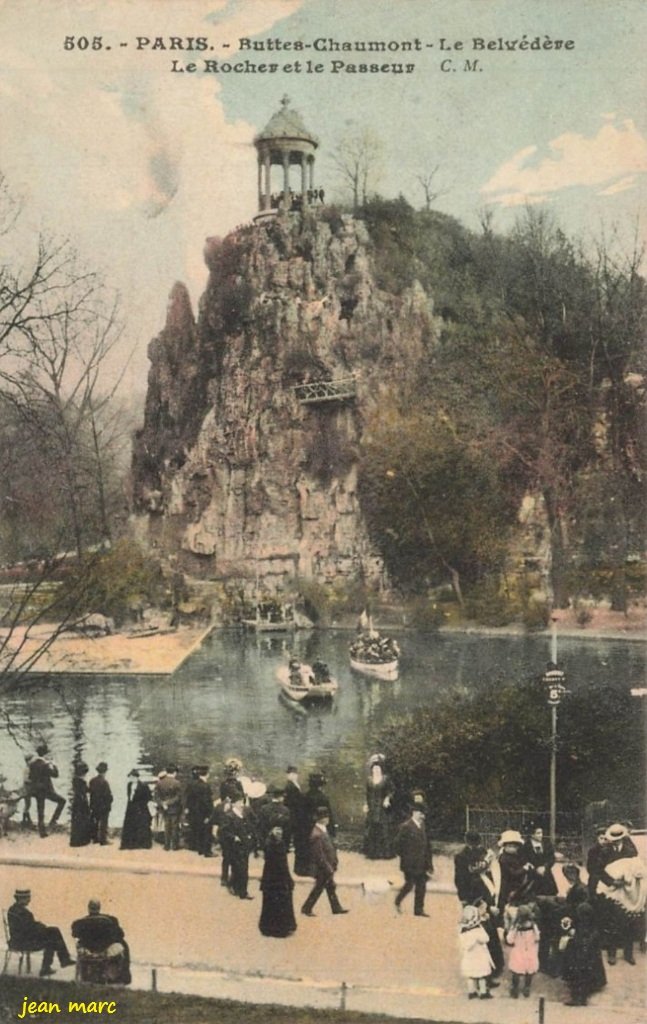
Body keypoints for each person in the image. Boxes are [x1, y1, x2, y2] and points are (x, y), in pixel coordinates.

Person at [595, 823, 643, 966]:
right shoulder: (605, 851)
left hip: (627, 890)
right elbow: (598, 870)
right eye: (613, 840)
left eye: (618, 840)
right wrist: (611, 882)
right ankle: (612, 954)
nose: (616, 842)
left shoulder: (630, 850)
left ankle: (628, 954)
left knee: (628, 921)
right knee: (613, 922)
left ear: (622, 838)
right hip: (613, 891)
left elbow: (636, 866)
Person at [7, 888, 75, 978]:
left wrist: (39, 926)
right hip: (24, 942)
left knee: (53, 931)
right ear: (22, 899)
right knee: (51, 940)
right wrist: (41, 927)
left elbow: (27, 927)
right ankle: (50, 966)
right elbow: (30, 930)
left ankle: (63, 960)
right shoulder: (24, 913)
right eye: (28, 897)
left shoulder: (12, 910)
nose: (29, 900)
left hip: (16, 940)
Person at [301, 808, 349, 917]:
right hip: (322, 867)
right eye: (325, 817)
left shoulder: (322, 830)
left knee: (329, 887)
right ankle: (307, 908)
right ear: (321, 819)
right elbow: (319, 855)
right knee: (320, 887)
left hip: (327, 865)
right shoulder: (317, 834)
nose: (328, 819)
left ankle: (335, 907)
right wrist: (328, 867)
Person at [71, 898, 131, 984]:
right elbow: (120, 934)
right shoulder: (110, 920)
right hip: (104, 950)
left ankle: (83, 976)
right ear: (99, 908)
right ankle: (124, 977)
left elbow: (74, 935)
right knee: (124, 945)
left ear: (88, 908)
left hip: (87, 950)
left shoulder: (79, 922)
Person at [561, 902, 606, 1007]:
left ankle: (578, 998)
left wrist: (573, 936)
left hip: (581, 956)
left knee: (580, 976)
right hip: (590, 957)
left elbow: (582, 941)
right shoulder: (591, 924)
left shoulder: (585, 927)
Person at [394, 802, 433, 917]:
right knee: (409, 885)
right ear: (415, 813)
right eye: (421, 814)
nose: (423, 816)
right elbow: (397, 844)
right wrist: (405, 857)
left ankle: (418, 910)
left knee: (421, 886)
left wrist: (429, 864)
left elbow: (427, 846)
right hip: (410, 864)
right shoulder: (406, 827)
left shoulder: (422, 826)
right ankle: (398, 900)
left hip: (421, 863)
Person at [259, 825, 297, 938]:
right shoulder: (270, 844)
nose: (279, 832)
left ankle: (280, 927)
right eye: (276, 829)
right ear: (271, 831)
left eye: (281, 829)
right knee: (275, 902)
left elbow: (284, 863)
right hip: (273, 877)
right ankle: (276, 929)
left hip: (279, 876)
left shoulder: (280, 843)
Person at [220, 795, 257, 899]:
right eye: (239, 802)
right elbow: (224, 831)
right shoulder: (229, 816)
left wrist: (250, 835)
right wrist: (234, 837)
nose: (242, 804)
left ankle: (235, 886)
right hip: (234, 846)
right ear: (234, 804)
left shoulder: (243, 814)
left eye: (242, 802)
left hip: (245, 845)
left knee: (241, 868)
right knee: (241, 868)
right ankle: (243, 892)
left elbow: (250, 825)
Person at [28, 743, 66, 838]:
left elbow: (30, 777)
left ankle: (42, 832)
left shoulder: (32, 764)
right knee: (62, 801)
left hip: (36, 790)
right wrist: (54, 765)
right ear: (45, 754)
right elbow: (55, 775)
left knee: (40, 810)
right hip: (46, 790)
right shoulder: (45, 765)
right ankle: (53, 821)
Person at [458, 904, 494, 1000]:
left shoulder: (462, 931)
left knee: (471, 976)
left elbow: (464, 945)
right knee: (481, 976)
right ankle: (483, 992)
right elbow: (486, 939)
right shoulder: (478, 930)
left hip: (469, 957)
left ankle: (471, 992)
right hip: (480, 956)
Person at [505, 903, 540, 999]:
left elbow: (509, 940)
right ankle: (527, 988)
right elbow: (537, 937)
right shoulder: (533, 926)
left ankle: (515, 989)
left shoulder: (516, 927)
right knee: (529, 971)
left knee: (516, 971)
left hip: (518, 952)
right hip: (530, 951)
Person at [363, 754, 394, 859]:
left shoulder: (386, 779)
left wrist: (387, 798)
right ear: (372, 770)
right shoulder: (369, 780)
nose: (376, 770)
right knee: (372, 830)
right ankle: (372, 853)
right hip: (372, 808)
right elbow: (367, 793)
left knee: (384, 830)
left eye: (378, 768)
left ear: (381, 769)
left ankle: (386, 853)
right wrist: (366, 804)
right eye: (374, 769)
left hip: (382, 809)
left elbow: (391, 791)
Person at [284, 765, 311, 876]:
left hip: (296, 815)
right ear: (288, 775)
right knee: (297, 839)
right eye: (291, 774)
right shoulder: (290, 786)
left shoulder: (295, 785)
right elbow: (293, 802)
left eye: (295, 774)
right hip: (294, 815)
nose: (293, 775)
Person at [454, 832, 494, 905]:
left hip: (482, 889)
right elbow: (460, 878)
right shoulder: (461, 856)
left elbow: (459, 878)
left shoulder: (482, 852)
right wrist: (463, 897)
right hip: (471, 890)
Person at [497, 830, 532, 912]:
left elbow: (523, 863)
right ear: (504, 846)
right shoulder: (503, 858)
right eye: (509, 846)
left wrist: (528, 865)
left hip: (519, 884)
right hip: (508, 885)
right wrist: (524, 869)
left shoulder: (517, 856)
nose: (512, 848)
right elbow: (512, 873)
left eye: (515, 846)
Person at [184, 765, 214, 856]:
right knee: (207, 831)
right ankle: (207, 851)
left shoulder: (194, 784)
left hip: (195, 812)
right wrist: (209, 814)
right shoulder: (206, 786)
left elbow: (189, 798)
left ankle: (200, 849)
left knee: (199, 830)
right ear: (207, 774)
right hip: (204, 812)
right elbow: (206, 801)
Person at [120, 770, 152, 850]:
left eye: (132, 777)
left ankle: (142, 843)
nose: (131, 779)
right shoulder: (129, 784)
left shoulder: (143, 786)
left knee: (141, 825)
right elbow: (129, 796)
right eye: (130, 777)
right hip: (131, 807)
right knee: (129, 824)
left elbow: (148, 797)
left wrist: (141, 803)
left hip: (140, 808)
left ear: (136, 777)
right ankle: (129, 843)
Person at [522, 823, 558, 896]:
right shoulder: (526, 846)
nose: (541, 835)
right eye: (538, 833)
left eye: (541, 833)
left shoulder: (547, 844)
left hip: (546, 873)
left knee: (549, 893)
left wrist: (545, 866)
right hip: (533, 875)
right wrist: (535, 869)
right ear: (532, 835)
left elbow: (551, 858)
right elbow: (523, 859)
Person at [154, 764, 183, 851]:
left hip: (164, 808)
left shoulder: (160, 782)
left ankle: (166, 845)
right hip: (174, 808)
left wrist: (163, 803)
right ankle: (174, 845)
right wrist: (169, 803)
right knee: (175, 827)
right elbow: (178, 797)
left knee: (167, 826)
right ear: (174, 772)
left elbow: (156, 796)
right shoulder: (177, 783)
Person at [255, 784, 292, 850]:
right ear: (281, 797)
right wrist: (287, 844)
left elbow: (260, 826)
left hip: (267, 842)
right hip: (281, 843)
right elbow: (288, 829)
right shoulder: (285, 810)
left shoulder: (264, 808)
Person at [69, 761, 92, 848]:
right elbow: (86, 791)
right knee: (82, 820)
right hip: (82, 802)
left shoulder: (75, 780)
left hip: (76, 802)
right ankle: (82, 840)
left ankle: (75, 840)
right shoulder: (81, 782)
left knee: (76, 821)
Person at [89, 762, 113, 845]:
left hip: (94, 805)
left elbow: (91, 793)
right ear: (105, 771)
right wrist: (109, 803)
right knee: (103, 823)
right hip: (103, 806)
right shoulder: (105, 782)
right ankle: (103, 840)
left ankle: (95, 838)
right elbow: (108, 796)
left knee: (95, 822)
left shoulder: (92, 781)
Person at [586, 826, 608, 898]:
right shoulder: (593, 850)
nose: (603, 841)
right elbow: (590, 867)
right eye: (601, 838)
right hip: (596, 876)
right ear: (597, 838)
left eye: (605, 839)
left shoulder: (610, 850)